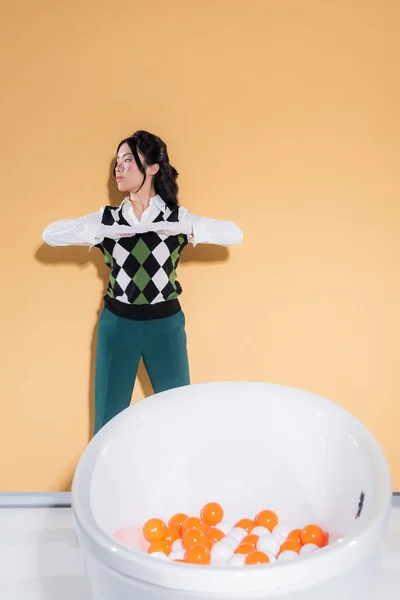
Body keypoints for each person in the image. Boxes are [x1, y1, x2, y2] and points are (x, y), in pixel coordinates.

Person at [42, 130, 243, 434]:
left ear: (151, 168)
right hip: (117, 325)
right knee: (107, 423)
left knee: (180, 417)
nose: (118, 169)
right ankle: (105, 482)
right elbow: (50, 235)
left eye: (127, 161)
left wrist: (178, 225)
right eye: (117, 162)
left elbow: (234, 234)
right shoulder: (106, 220)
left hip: (166, 325)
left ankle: (177, 482)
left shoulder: (177, 218)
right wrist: (102, 232)